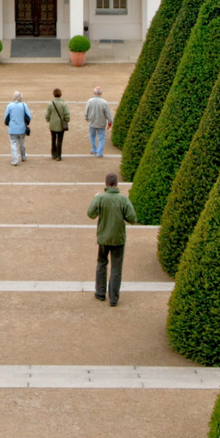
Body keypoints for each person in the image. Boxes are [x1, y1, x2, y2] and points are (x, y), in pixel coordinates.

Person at [87, 173, 137, 305]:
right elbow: (132, 218)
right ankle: (114, 298)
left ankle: (100, 293)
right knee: (116, 268)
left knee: (101, 264)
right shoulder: (123, 199)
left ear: (105, 184)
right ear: (116, 184)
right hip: (118, 238)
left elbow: (91, 214)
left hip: (104, 237)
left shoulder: (101, 198)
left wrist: (95, 199)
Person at [84, 86, 113, 158]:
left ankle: (94, 149)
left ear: (94, 93)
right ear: (101, 93)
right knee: (101, 138)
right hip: (101, 123)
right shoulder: (104, 102)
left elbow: (86, 113)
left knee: (92, 136)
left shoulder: (89, 101)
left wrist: (87, 119)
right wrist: (110, 122)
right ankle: (99, 152)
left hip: (92, 122)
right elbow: (108, 114)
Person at [4, 91, 31, 165]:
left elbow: (6, 118)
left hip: (12, 129)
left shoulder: (9, 106)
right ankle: (23, 156)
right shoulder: (24, 105)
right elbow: (28, 117)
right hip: (22, 128)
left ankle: (15, 160)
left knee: (13, 144)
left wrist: (8, 123)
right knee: (22, 143)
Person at [47, 88, 71, 161]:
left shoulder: (50, 104)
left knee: (53, 139)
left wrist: (49, 120)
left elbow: (47, 115)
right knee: (59, 141)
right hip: (60, 124)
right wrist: (67, 120)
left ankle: (53, 154)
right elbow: (67, 114)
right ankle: (58, 155)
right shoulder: (63, 104)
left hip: (53, 124)